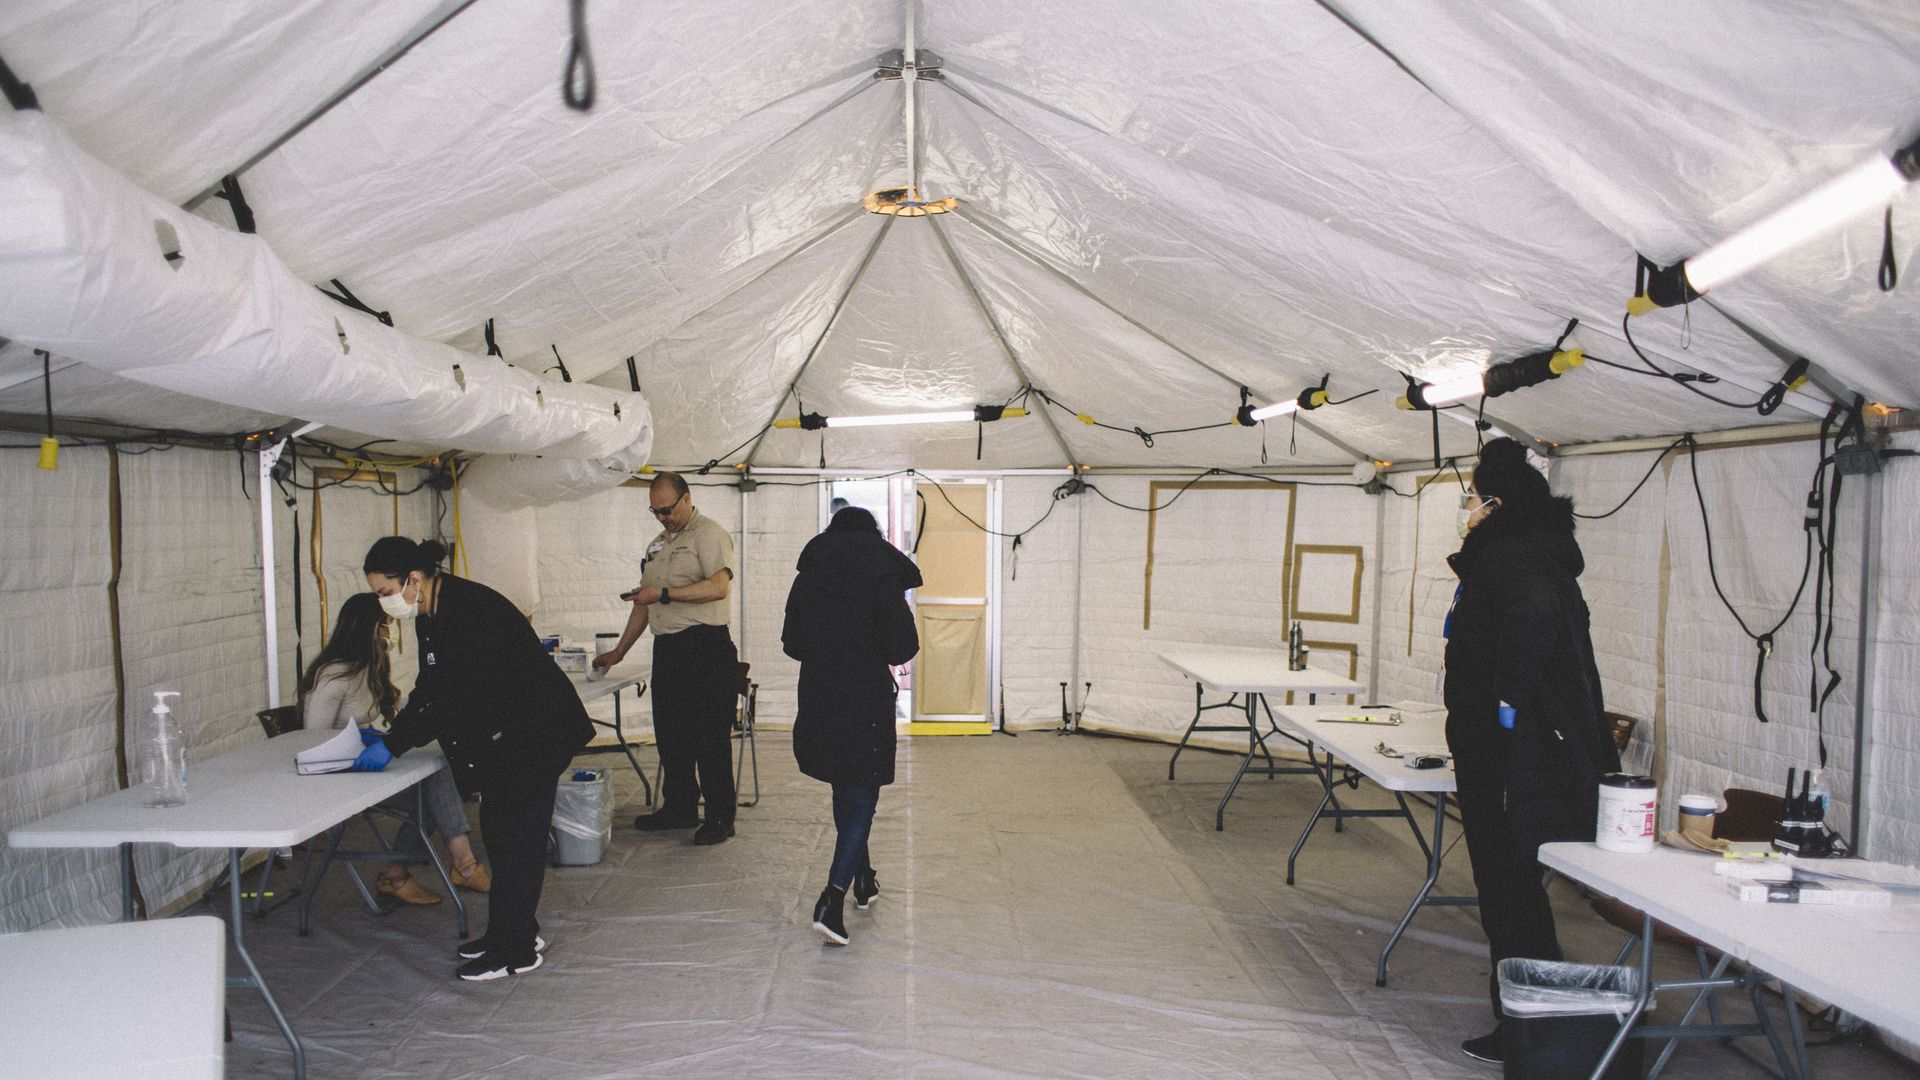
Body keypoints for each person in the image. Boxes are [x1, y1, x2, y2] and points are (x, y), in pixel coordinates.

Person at [1442, 438, 1619, 1065]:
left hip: (1511, 755)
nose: (1464, 511)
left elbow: (1530, 629)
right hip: (1516, 748)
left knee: (1509, 887)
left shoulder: (1510, 562)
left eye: (1469, 501)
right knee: (1516, 888)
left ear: (1493, 503)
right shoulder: (1533, 556)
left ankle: (1528, 1024)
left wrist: (1504, 710)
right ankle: (1530, 1013)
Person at [355, 537, 594, 981]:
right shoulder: (431, 612)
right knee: (502, 836)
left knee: (516, 839)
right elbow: (431, 685)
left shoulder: (469, 612)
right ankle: (512, 929)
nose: (383, 602)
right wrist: (395, 733)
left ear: (414, 579)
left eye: (385, 592)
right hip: (510, 733)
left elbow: (452, 697)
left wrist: (393, 745)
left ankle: (516, 950)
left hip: (535, 733)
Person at [780, 506, 921, 945]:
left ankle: (864, 879)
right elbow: (903, 647)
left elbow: (792, 643)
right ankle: (832, 897)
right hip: (865, 698)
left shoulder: (810, 574)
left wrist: (829, 646)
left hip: (820, 694)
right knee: (861, 796)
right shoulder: (882, 573)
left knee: (847, 787)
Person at [297, 592, 490, 905]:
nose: (390, 633)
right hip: (336, 774)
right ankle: (458, 865)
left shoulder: (368, 667)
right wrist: (361, 741)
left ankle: (407, 874)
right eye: (386, 624)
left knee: (437, 771)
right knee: (433, 784)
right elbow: (311, 740)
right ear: (369, 628)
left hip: (361, 765)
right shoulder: (333, 674)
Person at [593, 472, 739, 846]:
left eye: (667, 510)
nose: (662, 517)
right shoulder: (656, 546)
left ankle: (721, 817)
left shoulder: (709, 534)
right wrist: (618, 652)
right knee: (671, 735)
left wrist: (666, 594)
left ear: (686, 498)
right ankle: (680, 807)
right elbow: (645, 604)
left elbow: (718, 587)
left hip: (705, 647)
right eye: (655, 512)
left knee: (709, 738)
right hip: (670, 650)